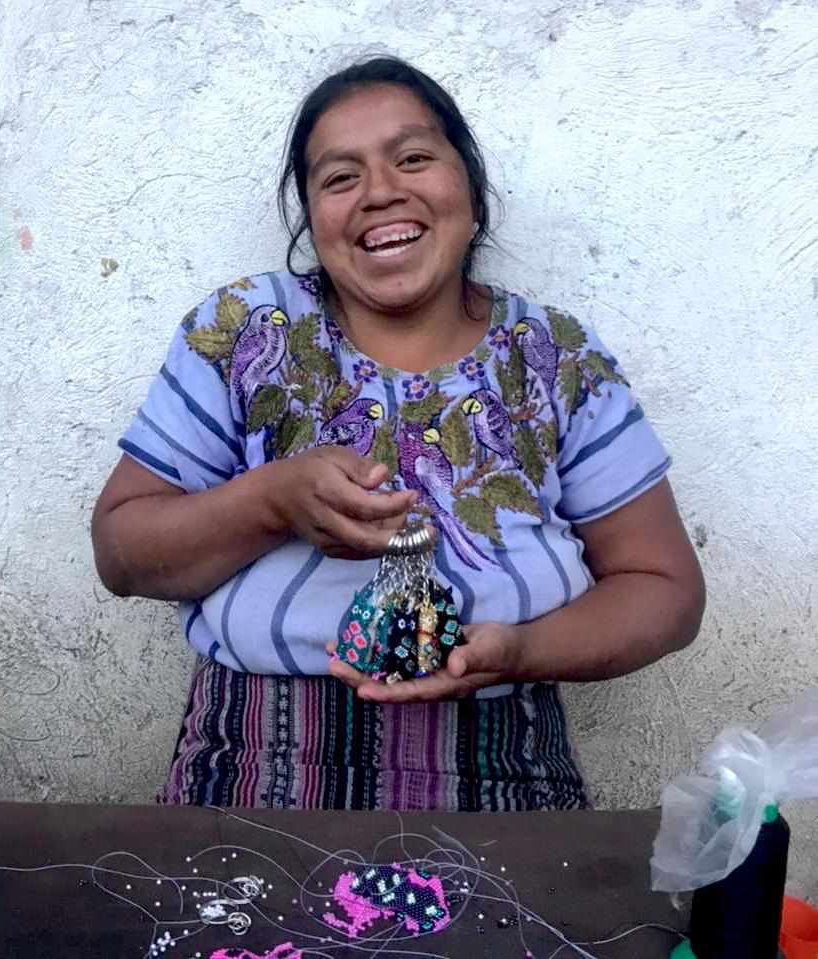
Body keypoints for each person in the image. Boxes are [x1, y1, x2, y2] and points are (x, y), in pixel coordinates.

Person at [91, 56, 705, 812]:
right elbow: (120, 552)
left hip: (508, 774)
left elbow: (665, 589)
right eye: (339, 177)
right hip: (253, 767)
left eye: (413, 158)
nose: (380, 192)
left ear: (470, 190)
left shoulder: (554, 355)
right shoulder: (246, 329)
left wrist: (521, 651)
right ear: (312, 220)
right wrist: (271, 502)